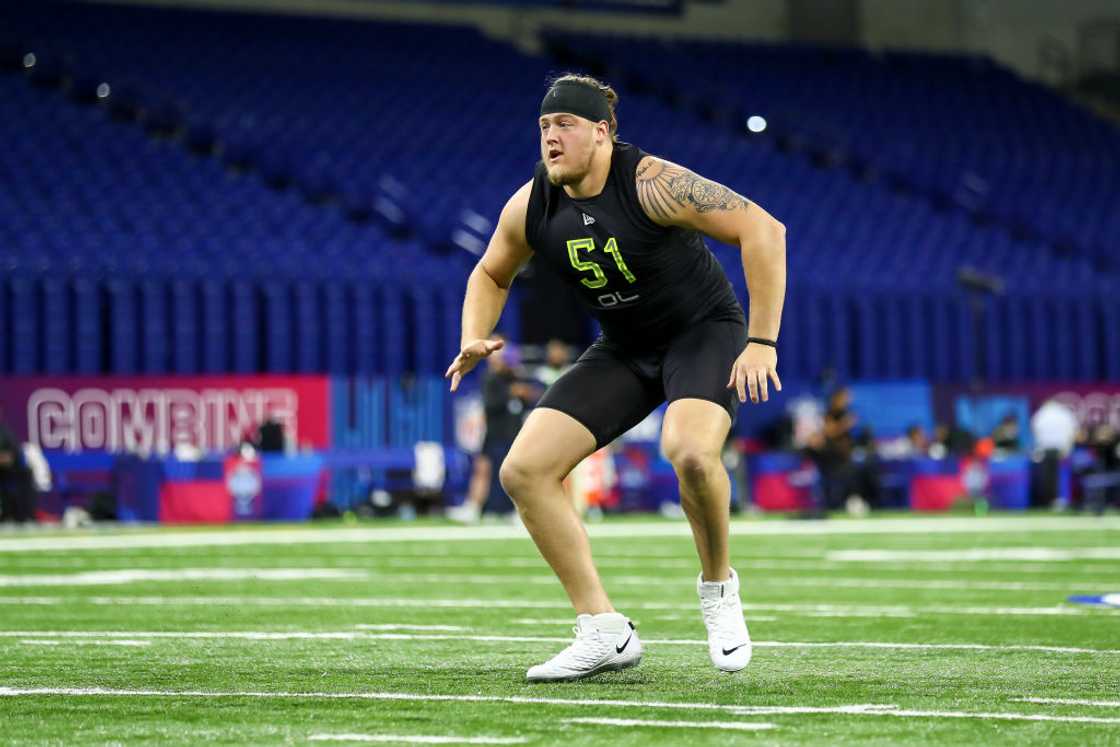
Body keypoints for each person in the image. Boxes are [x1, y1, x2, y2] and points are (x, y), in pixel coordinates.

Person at [444, 74, 786, 681]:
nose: (551, 137)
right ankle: (603, 629)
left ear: (601, 133)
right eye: (544, 127)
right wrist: (475, 332)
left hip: (701, 333)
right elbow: (490, 274)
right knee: (523, 470)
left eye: (565, 125)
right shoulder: (532, 204)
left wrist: (762, 342)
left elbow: (764, 229)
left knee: (689, 452)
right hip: (627, 345)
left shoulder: (653, 183)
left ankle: (718, 589)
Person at [448, 334, 541, 522]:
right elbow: (490, 404)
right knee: (484, 470)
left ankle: (517, 511)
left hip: (513, 432)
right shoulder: (490, 378)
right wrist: (511, 393)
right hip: (495, 432)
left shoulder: (514, 376)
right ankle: (475, 507)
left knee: (514, 473)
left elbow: (533, 397)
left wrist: (522, 393)